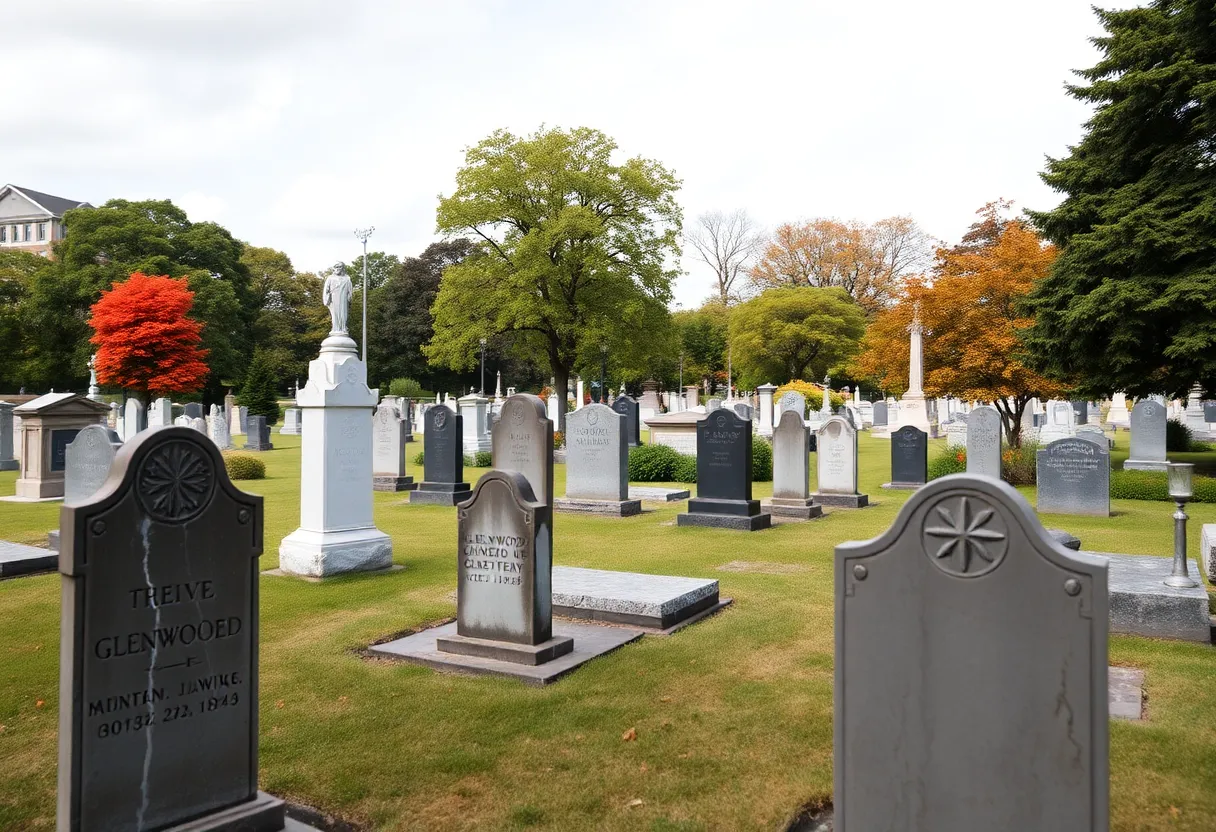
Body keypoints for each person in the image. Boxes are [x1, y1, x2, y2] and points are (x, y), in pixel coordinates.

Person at [322, 263, 354, 335]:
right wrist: (327, 299)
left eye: (339, 267)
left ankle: (343, 328)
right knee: (335, 314)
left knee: (344, 314)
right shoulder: (330, 278)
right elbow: (326, 290)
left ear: (343, 268)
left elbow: (350, 290)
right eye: (336, 267)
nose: (338, 268)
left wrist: (349, 297)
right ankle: (335, 329)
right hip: (334, 298)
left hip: (343, 299)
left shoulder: (347, 278)